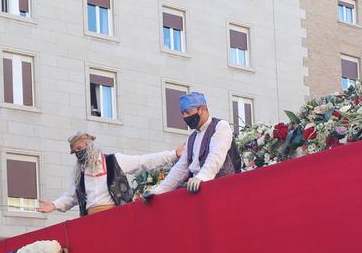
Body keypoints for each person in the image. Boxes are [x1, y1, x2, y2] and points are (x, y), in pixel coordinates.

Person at [39, 130, 177, 216]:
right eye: (74, 151)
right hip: (91, 219)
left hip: (117, 216)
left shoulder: (114, 160)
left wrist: (173, 154)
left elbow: (143, 161)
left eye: (79, 148)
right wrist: (54, 205)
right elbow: (71, 197)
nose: (77, 153)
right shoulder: (79, 173)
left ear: (89, 146)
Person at [148, 92, 239, 198]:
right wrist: (158, 191)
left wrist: (202, 177)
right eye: (183, 113)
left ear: (202, 109)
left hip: (222, 190)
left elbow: (216, 156)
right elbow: (180, 168)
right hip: (198, 192)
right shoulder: (192, 138)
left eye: (188, 112)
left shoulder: (220, 126)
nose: (185, 117)